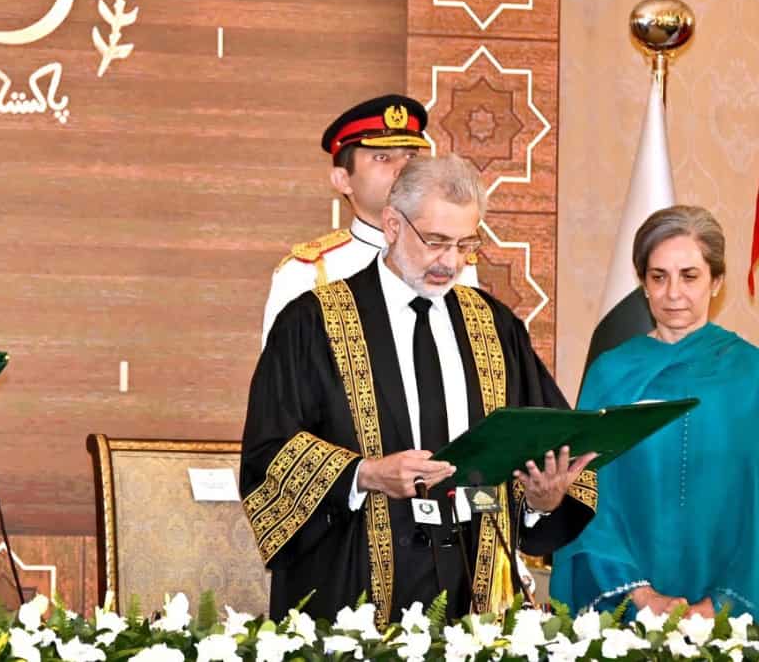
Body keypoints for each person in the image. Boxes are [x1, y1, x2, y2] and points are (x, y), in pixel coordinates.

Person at [240, 154, 597, 624]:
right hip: (351, 584)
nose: (450, 262)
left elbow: (545, 440)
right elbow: (268, 455)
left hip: (473, 587)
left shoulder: (495, 327)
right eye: (436, 241)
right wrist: (364, 474)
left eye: (465, 244)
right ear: (393, 225)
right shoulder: (313, 323)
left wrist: (543, 500)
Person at [551, 205, 759, 617]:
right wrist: (642, 598)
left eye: (690, 276)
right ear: (643, 284)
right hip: (624, 613)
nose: (673, 293)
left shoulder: (750, 374)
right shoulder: (610, 373)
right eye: (658, 277)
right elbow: (585, 493)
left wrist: (719, 607)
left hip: (733, 615)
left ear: (717, 282)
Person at [260, 95, 477, 345]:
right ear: (343, 180)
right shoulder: (308, 272)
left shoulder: (454, 259)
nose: (402, 169)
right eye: (382, 158)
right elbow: (282, 368)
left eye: (410, 157)